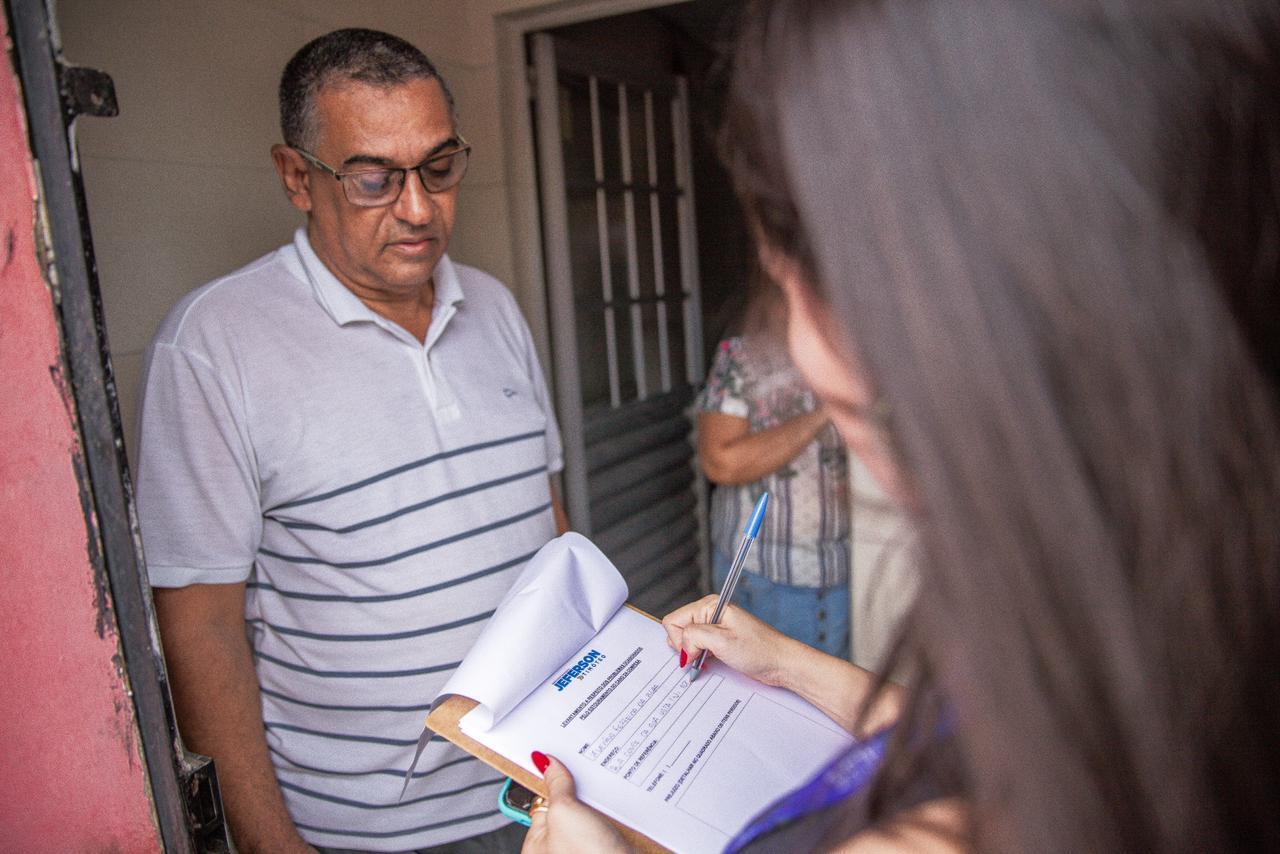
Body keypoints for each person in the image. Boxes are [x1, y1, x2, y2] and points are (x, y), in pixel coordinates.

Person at [522, 0, 1280, 852]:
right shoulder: (1160, 611)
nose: (800, 343)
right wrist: (787, 664)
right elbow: (960, 738)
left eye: (800, 260)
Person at [135, 29, 568, 853]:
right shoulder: (213, 343)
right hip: (372, 831)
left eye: (439, 168)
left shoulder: (495, 306)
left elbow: (546, 525)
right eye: (374, 177)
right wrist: (270, 845)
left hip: (542, 795)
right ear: (298, 177)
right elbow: (202, 632)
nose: (418, 207)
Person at [697, 279, 852, 656]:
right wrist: (825, 412)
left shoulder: (855, 358)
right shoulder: (744, 358)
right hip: (763, 576)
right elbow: (719, 461)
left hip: (840, 571)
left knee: (827, 706)